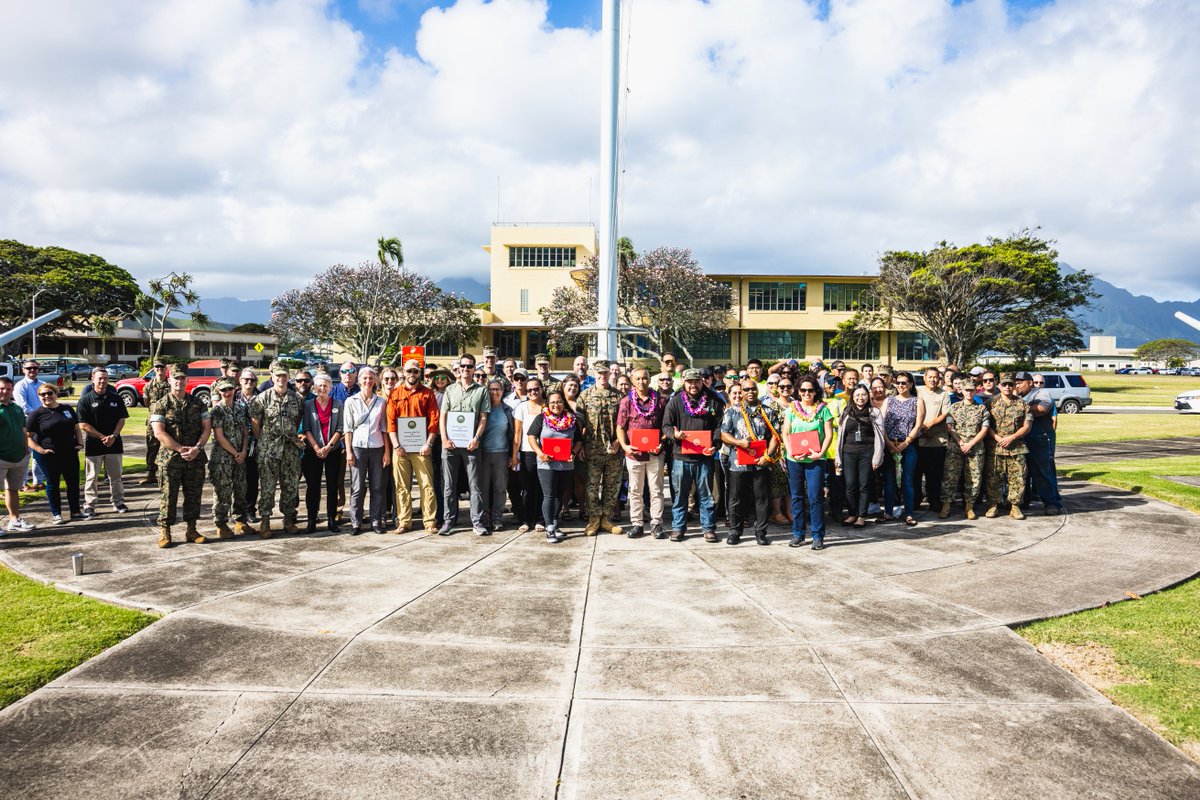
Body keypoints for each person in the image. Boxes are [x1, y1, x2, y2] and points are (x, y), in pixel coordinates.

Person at [148, 370, 211, 547]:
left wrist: (197, 448)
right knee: (169, 496)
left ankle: (191, 530)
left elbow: (207, 428)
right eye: (176, 378)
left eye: (183, 378)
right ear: (170, 380)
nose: (179, 381)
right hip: (170, 459)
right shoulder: (161, 404)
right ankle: (165, 532)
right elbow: (158, 432)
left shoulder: (198, 403)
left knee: (194, 495)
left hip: (195, 458)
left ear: (187, 380)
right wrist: (180, 449)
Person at [662, 368, 724, 542]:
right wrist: (674, 434)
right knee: (680, 495)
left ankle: (708, 528)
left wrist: (715, 445)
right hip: (681, 458)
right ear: (684, 382)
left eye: (697, 381)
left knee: (706, 496)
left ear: (702, 381)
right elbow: (666, 426)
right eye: (689, 382)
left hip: (705, 457)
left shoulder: (714, 401)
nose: (693, 385)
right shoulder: (674, 402)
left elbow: (720, 427)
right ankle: (678, 527)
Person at [720, 380, 780, 545]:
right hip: (738, 462)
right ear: (742, 392)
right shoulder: (732, 411)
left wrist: (768, 456)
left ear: (757, 389)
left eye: (753, 388)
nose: (750, 392)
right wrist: (739, 443)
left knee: (761, 498)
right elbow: (724, 434)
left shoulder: (768, 411)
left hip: (761, 462)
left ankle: (761, 532)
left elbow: (775, 435)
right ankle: (734, 531)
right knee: (736, 498)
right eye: (746, 389)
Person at [250, 361, 305, 537]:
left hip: (290, 449)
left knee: (290, 485)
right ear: (272, 377)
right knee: (267, 487)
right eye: (277, 375)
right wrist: (264, 442)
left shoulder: (297, 399)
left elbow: (297, 422)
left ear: (288, 377)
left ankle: (288, 519)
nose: (281, 378)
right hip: (269, 450)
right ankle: (265, 521)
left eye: (284, 375)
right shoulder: (262, 398)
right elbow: (256, 425)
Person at [386, 358, 440, 534]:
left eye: (415, 371)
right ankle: (404, 521)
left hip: (421, 448)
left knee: (427, 484)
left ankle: (430, 521)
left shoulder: (428, 394)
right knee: (401, 486)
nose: (412, 374)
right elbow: (391, 423)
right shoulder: (395, 394)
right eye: (409, 371)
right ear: (404, 372)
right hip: (399, 448)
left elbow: (434, 421)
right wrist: (395, 446)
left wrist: (428, 443)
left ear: (420, 373)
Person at [439, 353, 490, 535]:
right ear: (459, 368)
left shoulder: (481, 390)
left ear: (474, 369)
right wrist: (444, 438)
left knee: (475, 485)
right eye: (463, 366)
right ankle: (449, 521)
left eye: (470, 366)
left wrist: (476, 438)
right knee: (449, 485)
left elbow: (483, 417)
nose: (466, 369)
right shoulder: (450, 390)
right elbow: (443, 416)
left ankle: (477, 522)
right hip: (450, 444)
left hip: (471, 445)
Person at [783, 375, 833, 549]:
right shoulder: (791, 409)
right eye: (803, 390)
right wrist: (790, 452)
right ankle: (798, 534)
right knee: (796, 497)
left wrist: (820, 453)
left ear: (815, 391)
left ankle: (818, 535)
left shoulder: (823, 409)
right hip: (795, 459)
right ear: (798, 391)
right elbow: (785, 433)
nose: (806, 393)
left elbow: (829, 435)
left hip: (816, 460)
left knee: (815, 497)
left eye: (810, 390)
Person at [616, 367, 666, 539]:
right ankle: (637, 524)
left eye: (645, 378)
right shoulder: (626, 401)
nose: (641, 381)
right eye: (638, 379)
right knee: (635, 490)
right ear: (632, 381)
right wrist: (625, 446)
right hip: (634, 454)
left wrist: (661, 443)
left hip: (655, 454)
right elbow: (620, 427)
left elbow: (666, 426)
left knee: (657, 490)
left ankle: (656, 524)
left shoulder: (660, 400)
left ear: (649, 379)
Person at [526, 389, 580, 542]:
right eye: (553, 402)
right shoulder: (541, 418)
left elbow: (579, 441)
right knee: (549, 495)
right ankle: (549, 527)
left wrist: (574, 454)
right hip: (546, 464)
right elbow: (531, 437)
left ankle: (555, 524)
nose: (556, 405)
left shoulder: (572, 419)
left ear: (564, 403)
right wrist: (540, 453)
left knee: (559, 496)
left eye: (559, 402)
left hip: (565, 465)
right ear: (548, 404)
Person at [25, 384, 83, 525]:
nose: (46, 396)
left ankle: (75, 511)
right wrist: (40, 450)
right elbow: (27, 437)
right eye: (42, 394)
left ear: (56, 393)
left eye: (49, 393)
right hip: (49, 455)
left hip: (69, 452)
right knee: (52, 484)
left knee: (73, 483)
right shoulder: (36, 414)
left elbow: (76, 428)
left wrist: (80, 443)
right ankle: (56, 514)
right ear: (39, 397)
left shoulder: (67, 409)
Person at [76, 367, 129, 517]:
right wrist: (102, 437)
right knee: (92, 477)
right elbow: (83, 425)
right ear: (93, 378)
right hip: (94, 445)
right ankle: (90, 505)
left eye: (105, 378)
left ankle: (118, 502)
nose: (103, 381)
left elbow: (122, 419)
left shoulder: (115, 397)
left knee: (116, 477)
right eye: (100, 378)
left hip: (114, 444)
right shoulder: (85, 400)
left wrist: (113, 436)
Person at [579, 359, 624, 536]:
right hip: (592, 448)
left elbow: (624, 423)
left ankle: (606, 519)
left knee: (611, 486)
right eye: (599, 373)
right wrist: (580, 446)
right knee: (591, 487)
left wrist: (619, 442)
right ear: (594, 373)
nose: (602, 376)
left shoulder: (619, 396)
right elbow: (579, 424)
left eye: (605, 373)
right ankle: (594, 519)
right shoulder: (585, 395)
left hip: (613, 450)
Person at [344, 367, 389, 534]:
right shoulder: (351, 401)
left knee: (377, 487)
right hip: (358, 448)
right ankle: (356, 523)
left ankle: (376, 521)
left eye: (371, 378)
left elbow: (384, 428)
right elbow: (348, 429)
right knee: (357, 487)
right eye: (365, 378)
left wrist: (386, 452)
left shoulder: (381, 402)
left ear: (375, 381)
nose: (368, 381)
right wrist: (348, 451)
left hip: (377, 447)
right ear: (359, 380)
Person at [940, 376, 991, 520]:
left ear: (975, 391)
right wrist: (961, 442)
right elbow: (950, 427)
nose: (969, 393)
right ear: (961, 390)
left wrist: (971, 444)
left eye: (971, 390)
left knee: (974, 479)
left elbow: (985, 429)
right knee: (950, 477)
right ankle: (946, 505)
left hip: (975, 448)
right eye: (966, 390)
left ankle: (969, 506)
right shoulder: (954, 407)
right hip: (956, 447)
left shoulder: (982, 409)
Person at [835, 385, 885, 529]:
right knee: (850, 485)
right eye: (857, 395)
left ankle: (862, 516)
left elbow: (880, 437)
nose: (860, 398)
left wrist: (877, 457)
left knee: (864, 485)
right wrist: (839, 457)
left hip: (867, 452)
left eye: (863, 395)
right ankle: (852, 514)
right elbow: (840, 436)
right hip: (848, 452)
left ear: (868, 396)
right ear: (852, 396)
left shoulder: (874, 412)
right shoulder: (847, 412)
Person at [301, 373, 344, 534]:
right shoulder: (309, 405)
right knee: (313, 486)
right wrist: (317, 447)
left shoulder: (338, 404)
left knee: (332, 486)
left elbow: (340, 428)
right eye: (319, 385)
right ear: (314, 387)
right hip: (314, 451)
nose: (322, 388)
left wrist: (328, 446)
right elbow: (307, 428)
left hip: (332, 450)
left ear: (330, 388)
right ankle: (311, 519)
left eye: (326, 385)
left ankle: (332, 520)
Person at [881, 371, 925, 527]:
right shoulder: (889, 400)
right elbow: (881, 423)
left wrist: (905, 443)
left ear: (911, 384)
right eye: (898, 383)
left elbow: (918, 424)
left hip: (909, 444)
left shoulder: (917, 401)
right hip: (890, 444)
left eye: (904, 382)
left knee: (908, 480)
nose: (901, 385)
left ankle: (909, 513)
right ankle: (888, 512)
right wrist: (888, 443)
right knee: (889, 481)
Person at [986, 373, 1032, 520]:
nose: (1007, 387)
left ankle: (1015, 507)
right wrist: (998, 438)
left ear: (1014, 386)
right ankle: (993, 505)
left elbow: (1028, 426)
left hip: (1016, 447)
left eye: (1010, 384)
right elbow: (986, 425)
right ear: (999, 385)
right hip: (996, 447)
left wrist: (1012, 437)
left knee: (1017, 478)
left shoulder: (1023, 404)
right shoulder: (990, 403)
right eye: (1004, 384)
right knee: (994, 478)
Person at [209, 377, 251, 537]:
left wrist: (244, 451)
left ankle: (240, 521)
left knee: (241, 489)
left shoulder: (241, 408)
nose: (227, 393)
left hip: (240, 456)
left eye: (229, 389)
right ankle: (221, 524)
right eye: (223, 390)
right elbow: (219, 437)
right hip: (222, 459)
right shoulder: (217, 410)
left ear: (235, 389)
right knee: (222, 492)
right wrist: (235, 453)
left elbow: (245, 433)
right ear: (219, 392)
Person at [1018, 371, 1064, 515]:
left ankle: (1052, 503)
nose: (1017, 385)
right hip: (1023, 439)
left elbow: (1043, 408)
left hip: (1040, 439)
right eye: (1016, 382)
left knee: (1044, 472)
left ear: (1030, 383)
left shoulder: (1041, 393)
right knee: (1022, 472)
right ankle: (1022, 501)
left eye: (1020, 382)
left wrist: (1020, 409)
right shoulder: (1019, 397)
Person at [479, 380, 515, 532]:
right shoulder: (482, 409)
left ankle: (497, 517)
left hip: (501, 453)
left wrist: (512, 455)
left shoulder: (507, 410)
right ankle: (486, 517)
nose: (495, 392)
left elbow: (513, 434)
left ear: (502, 391)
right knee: (484, 488)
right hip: (483, 454)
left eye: (498, 389)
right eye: (491, 389)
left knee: (500, 487)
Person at [0, 377, 35, 534]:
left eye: (8, 388)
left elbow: (23, 430)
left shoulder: (16, 408)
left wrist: (26, 450)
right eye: (2, 388)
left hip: (19, 457)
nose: (5, 391)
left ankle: (14, 520)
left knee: (13, 490)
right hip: (1, 457)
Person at [915, 366, 951, 513]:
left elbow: (945, 414)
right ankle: (915, 502)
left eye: (936, 377)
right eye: (930, 377)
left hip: (937, 442)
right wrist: (920, 430)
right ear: (924, 378)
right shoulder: (918, 391)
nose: (933, 379)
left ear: (939, 379)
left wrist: (929, 425)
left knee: (935, 476)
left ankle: (934, 501)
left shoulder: (944, 394)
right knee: (916, 474)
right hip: (918, 441)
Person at [512, 378, 546, 532]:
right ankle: (526, 519)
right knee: (527, 489)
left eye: (536, 389)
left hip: (546, 453)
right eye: (530, 389)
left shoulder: (548, 406)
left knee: (542, 488)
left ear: (541, 389)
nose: (533, 392)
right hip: (527, 453)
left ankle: (540, 519)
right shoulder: (521, 408)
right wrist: (514, 456)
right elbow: (517, 434)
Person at [236, 368, 262, 523]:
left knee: (252, 479)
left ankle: (251, 510)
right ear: (240, 380)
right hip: (236, 444)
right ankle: (238, 512)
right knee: (237, 480)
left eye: (252, 380)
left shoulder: (261, 397)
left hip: (255, 444)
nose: (249, 382)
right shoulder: (233, 396)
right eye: (246, 379)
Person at [141, 361, 172, 486]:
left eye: (162, 367)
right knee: (152, 447)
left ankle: (168, 474)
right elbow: (146, 403)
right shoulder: (148, 386)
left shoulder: (171, 385)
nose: (159, 369)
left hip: (168, 420)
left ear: (166, 368)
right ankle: (151, 474)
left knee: (169, 446)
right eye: (157, 367)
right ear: (154, 369)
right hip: (152, 421)